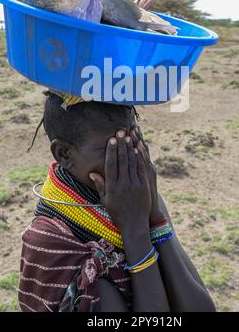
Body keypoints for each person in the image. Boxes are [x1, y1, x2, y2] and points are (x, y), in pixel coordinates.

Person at [18, 91, 215, 312]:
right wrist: (134, 230)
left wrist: (154, 217)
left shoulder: (143, 201)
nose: (130, 157)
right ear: (64, 154)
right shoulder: (54, 244)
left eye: (134, 139)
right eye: (114, 148)